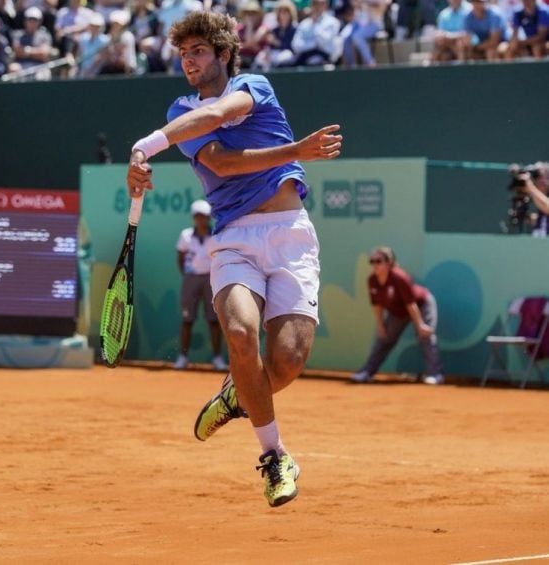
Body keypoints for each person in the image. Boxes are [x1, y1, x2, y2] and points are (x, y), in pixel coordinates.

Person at [126, 11, 341, 506]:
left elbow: (225, 112)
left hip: (290, 235)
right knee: (241, 333)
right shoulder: (182, 108)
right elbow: (220, 158)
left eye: (198, 51)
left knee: (286, 362)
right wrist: (149, 145)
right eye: (183, 54)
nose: (189, 62)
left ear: (223, 54)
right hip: (235, 240)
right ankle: (275, 456)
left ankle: (234, 396)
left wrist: (296, 151)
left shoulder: (252, 84)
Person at [350, 246, 444, 386]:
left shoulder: (400, 277)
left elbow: (411, 304)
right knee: (384, 339)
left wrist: (420, 325)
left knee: (425, 336)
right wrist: (381, 325)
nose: (374, 264)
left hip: (422, 304)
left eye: (378, 261)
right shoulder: (372, 280)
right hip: (398, 312)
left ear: (389, 263)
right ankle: (366, 372)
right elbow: (377, 305)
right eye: (372, 261)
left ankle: (436, 374)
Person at [173, 199, 228, 371]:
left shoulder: (217, 235)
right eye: (198, 217)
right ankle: (182, 357)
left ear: (208, 218)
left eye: (204, 217)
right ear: (193, 218)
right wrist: (189, 274)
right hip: (191, 279)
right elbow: (180, 258)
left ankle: (217, 358)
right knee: (187, 320)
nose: (201, 220)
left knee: (214, 321)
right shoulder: (186, 235)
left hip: (212, 280)